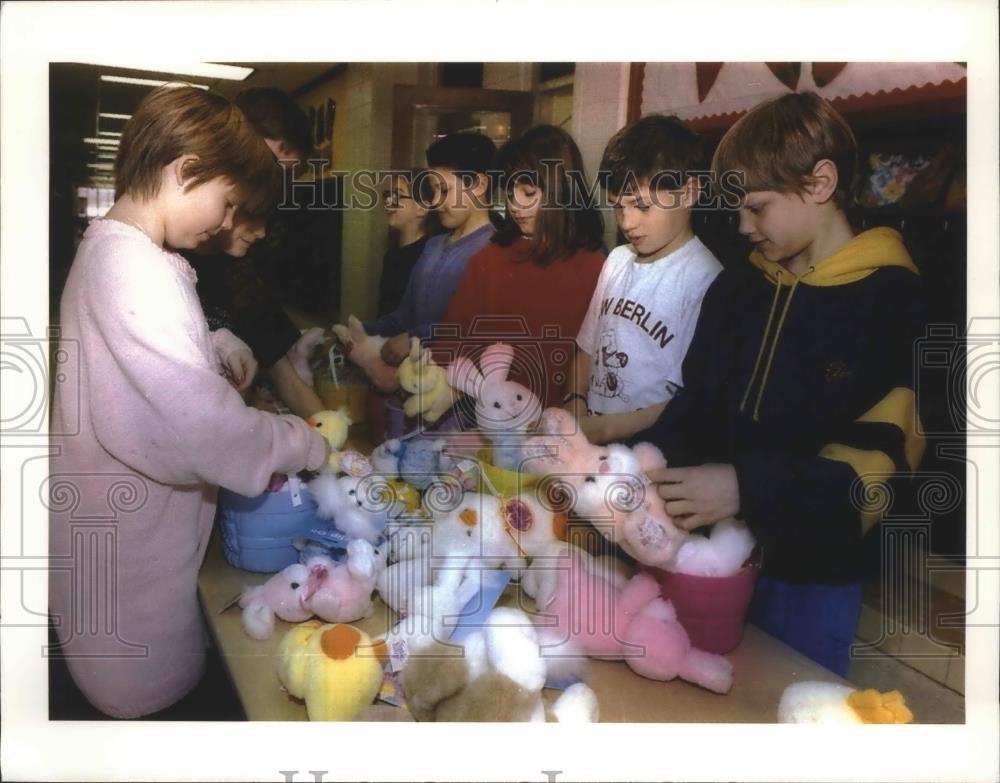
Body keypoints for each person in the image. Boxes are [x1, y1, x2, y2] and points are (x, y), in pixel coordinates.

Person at [48, 85, 329, 719]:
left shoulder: (115, 252)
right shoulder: (135, 268)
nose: (228, 223)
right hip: (132, 603)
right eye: (226, 201)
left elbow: (131, 374)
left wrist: (208, 341)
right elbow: (207, 434)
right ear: (184, 171)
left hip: (120, 571)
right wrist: (303, 439)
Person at [637, 92, 926, 676]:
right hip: (714, 552)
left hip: (815, 577)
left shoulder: (894, 301)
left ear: (820, 184)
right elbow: (697, 402)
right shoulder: (737, 291)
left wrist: (749, 488)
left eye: (757, 208)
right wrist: (645, 464)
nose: (743, 228)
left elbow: (880, 469)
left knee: (794, 707)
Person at [570, 115, 723, 444]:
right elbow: (586, 348)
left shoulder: (707, 279)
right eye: (618, 207)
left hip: (651, 450)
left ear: (689, 193)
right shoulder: (617, 260)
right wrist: (575, 403)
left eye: (641, 206)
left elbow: (687, 400)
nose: (627, 222)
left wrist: (605, 429)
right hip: (591, 438)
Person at [437, 124, 606, 409]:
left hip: (561, 430)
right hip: (488, 422)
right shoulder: (488, 259)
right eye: (510, 191)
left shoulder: (598, 267)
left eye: (528, 192)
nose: (515, 205)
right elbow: (450, 345)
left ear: (561, 189)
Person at [363, 132, 497, 366]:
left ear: (479, 185)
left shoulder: (495, 251)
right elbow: (402, 318)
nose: (435, 201)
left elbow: (480, 331)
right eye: (434, 190)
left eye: (444, 190)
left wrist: (417, 338)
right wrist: (357, 332)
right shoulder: (433, 246)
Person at [183, 202, 327, 420]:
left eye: (266, 219)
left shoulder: (244, 278)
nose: (261, 232)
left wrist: (339, 446)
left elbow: (290, 383)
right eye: (252, 215)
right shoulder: (171, 265)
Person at [376, 169, 438, 317]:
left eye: (397, 195)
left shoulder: (430, 257)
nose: (388, 201)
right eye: (388, 195)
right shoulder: (391, 256)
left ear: (422, 207)